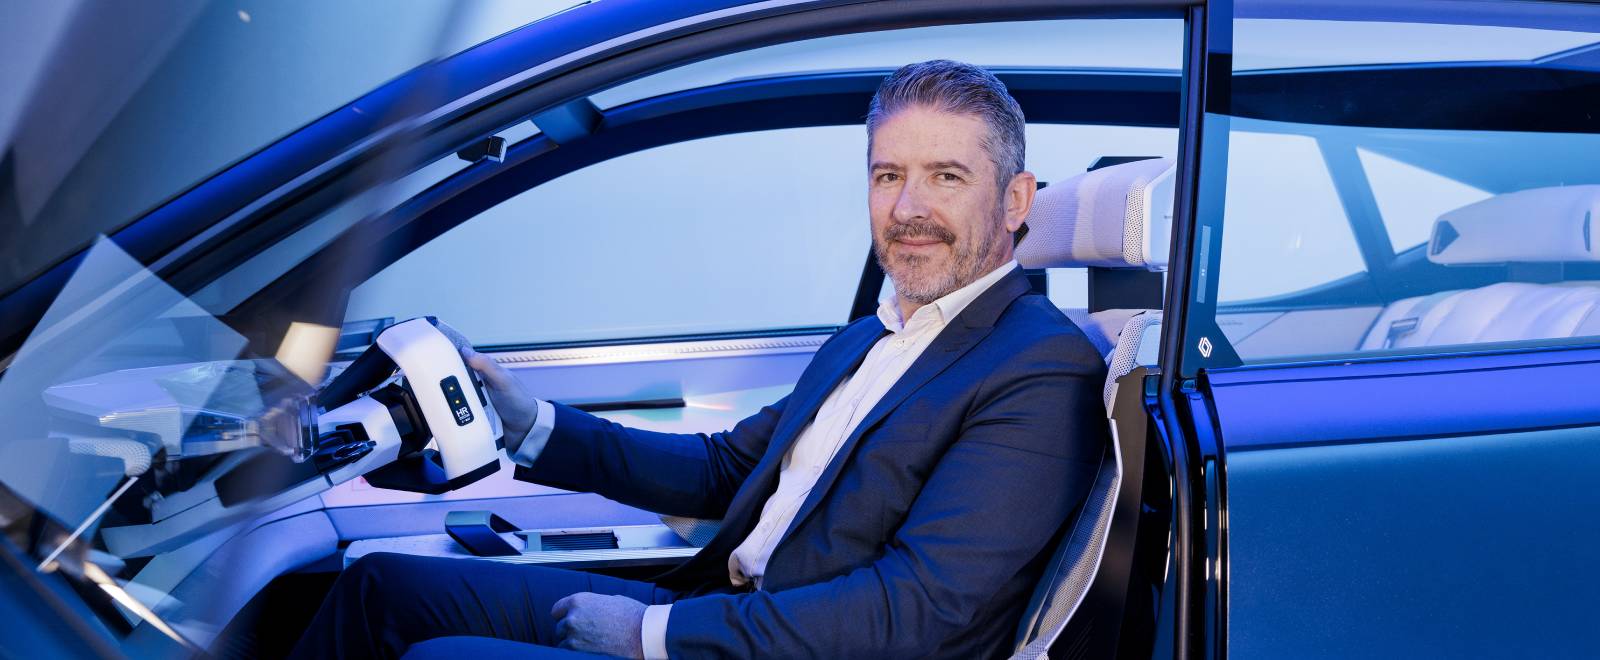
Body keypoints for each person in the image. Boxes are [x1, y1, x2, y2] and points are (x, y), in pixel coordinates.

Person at [290, 59, 1109, 660]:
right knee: (379, 586)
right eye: (887, 175)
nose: (906, 208)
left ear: (1015, 200)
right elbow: (726, 469)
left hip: (764, 644)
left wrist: (656, 636)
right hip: (722, 605)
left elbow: (919, 612)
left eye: (946, 177)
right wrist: (527, 424)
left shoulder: (1041, 368)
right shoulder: (875, 334)